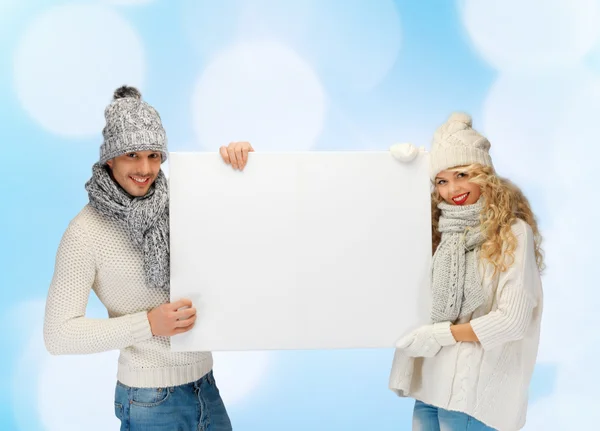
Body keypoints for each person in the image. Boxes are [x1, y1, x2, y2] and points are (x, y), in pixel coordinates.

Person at [43, 85, 253, 431]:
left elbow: (246, 233)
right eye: (132, 155)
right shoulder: (85, 232)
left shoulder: (184, 203)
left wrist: (242, 167)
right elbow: (58, 335)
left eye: (154, 155)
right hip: (149, 399)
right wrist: (148, 324)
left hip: (206, 386)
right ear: (110, 158)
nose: (145, 168)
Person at [389, 113, 544, 431]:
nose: (453, 189)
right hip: (429, 387)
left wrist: (441, 334)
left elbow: (511, 321)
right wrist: (401, 172)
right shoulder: (438, 231)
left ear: (484, 174)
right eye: (442, 181)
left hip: (473, 395)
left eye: (462, 174)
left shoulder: (512, 232)